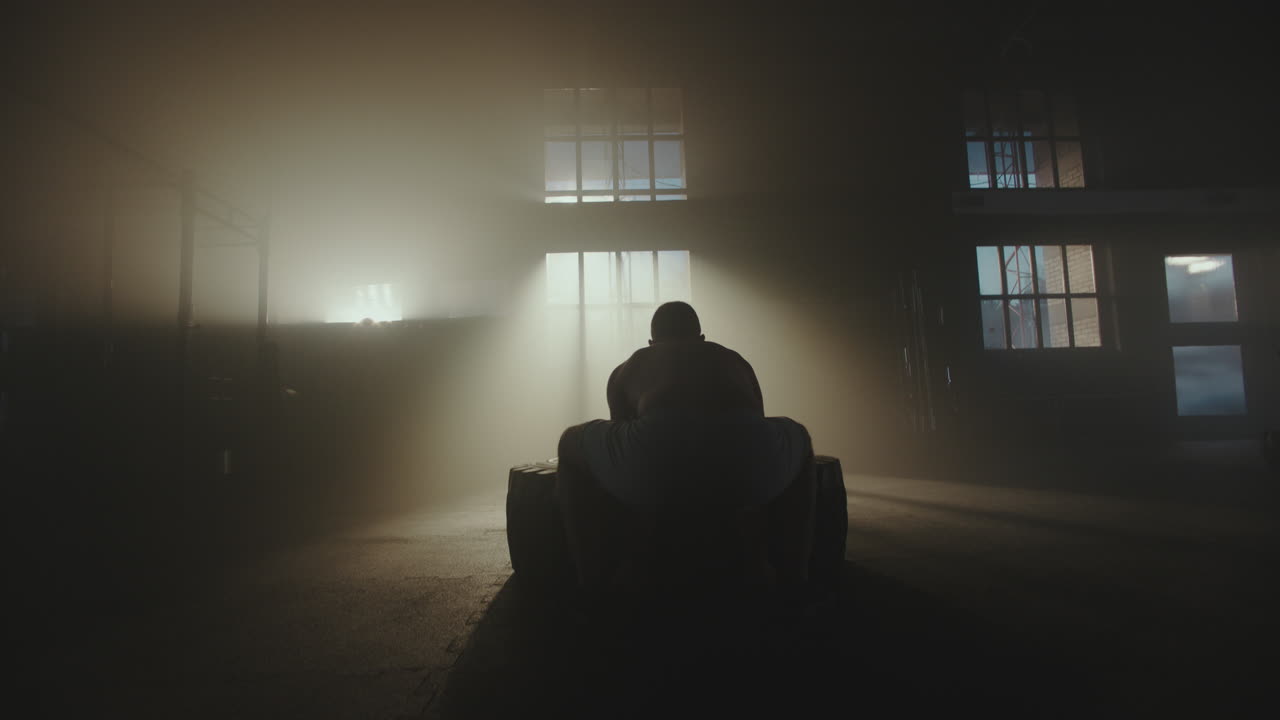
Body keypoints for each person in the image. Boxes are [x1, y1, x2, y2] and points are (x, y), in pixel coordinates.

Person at [556, 301, 815, 594]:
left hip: (658, 451)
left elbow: (625, 446)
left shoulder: (632, 364)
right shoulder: (734, 360)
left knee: (569, 442)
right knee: (801, 438)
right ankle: (796, 576)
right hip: (743, 454)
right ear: (701, 338)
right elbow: (755, 420)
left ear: (651, 342)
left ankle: (591, 581)